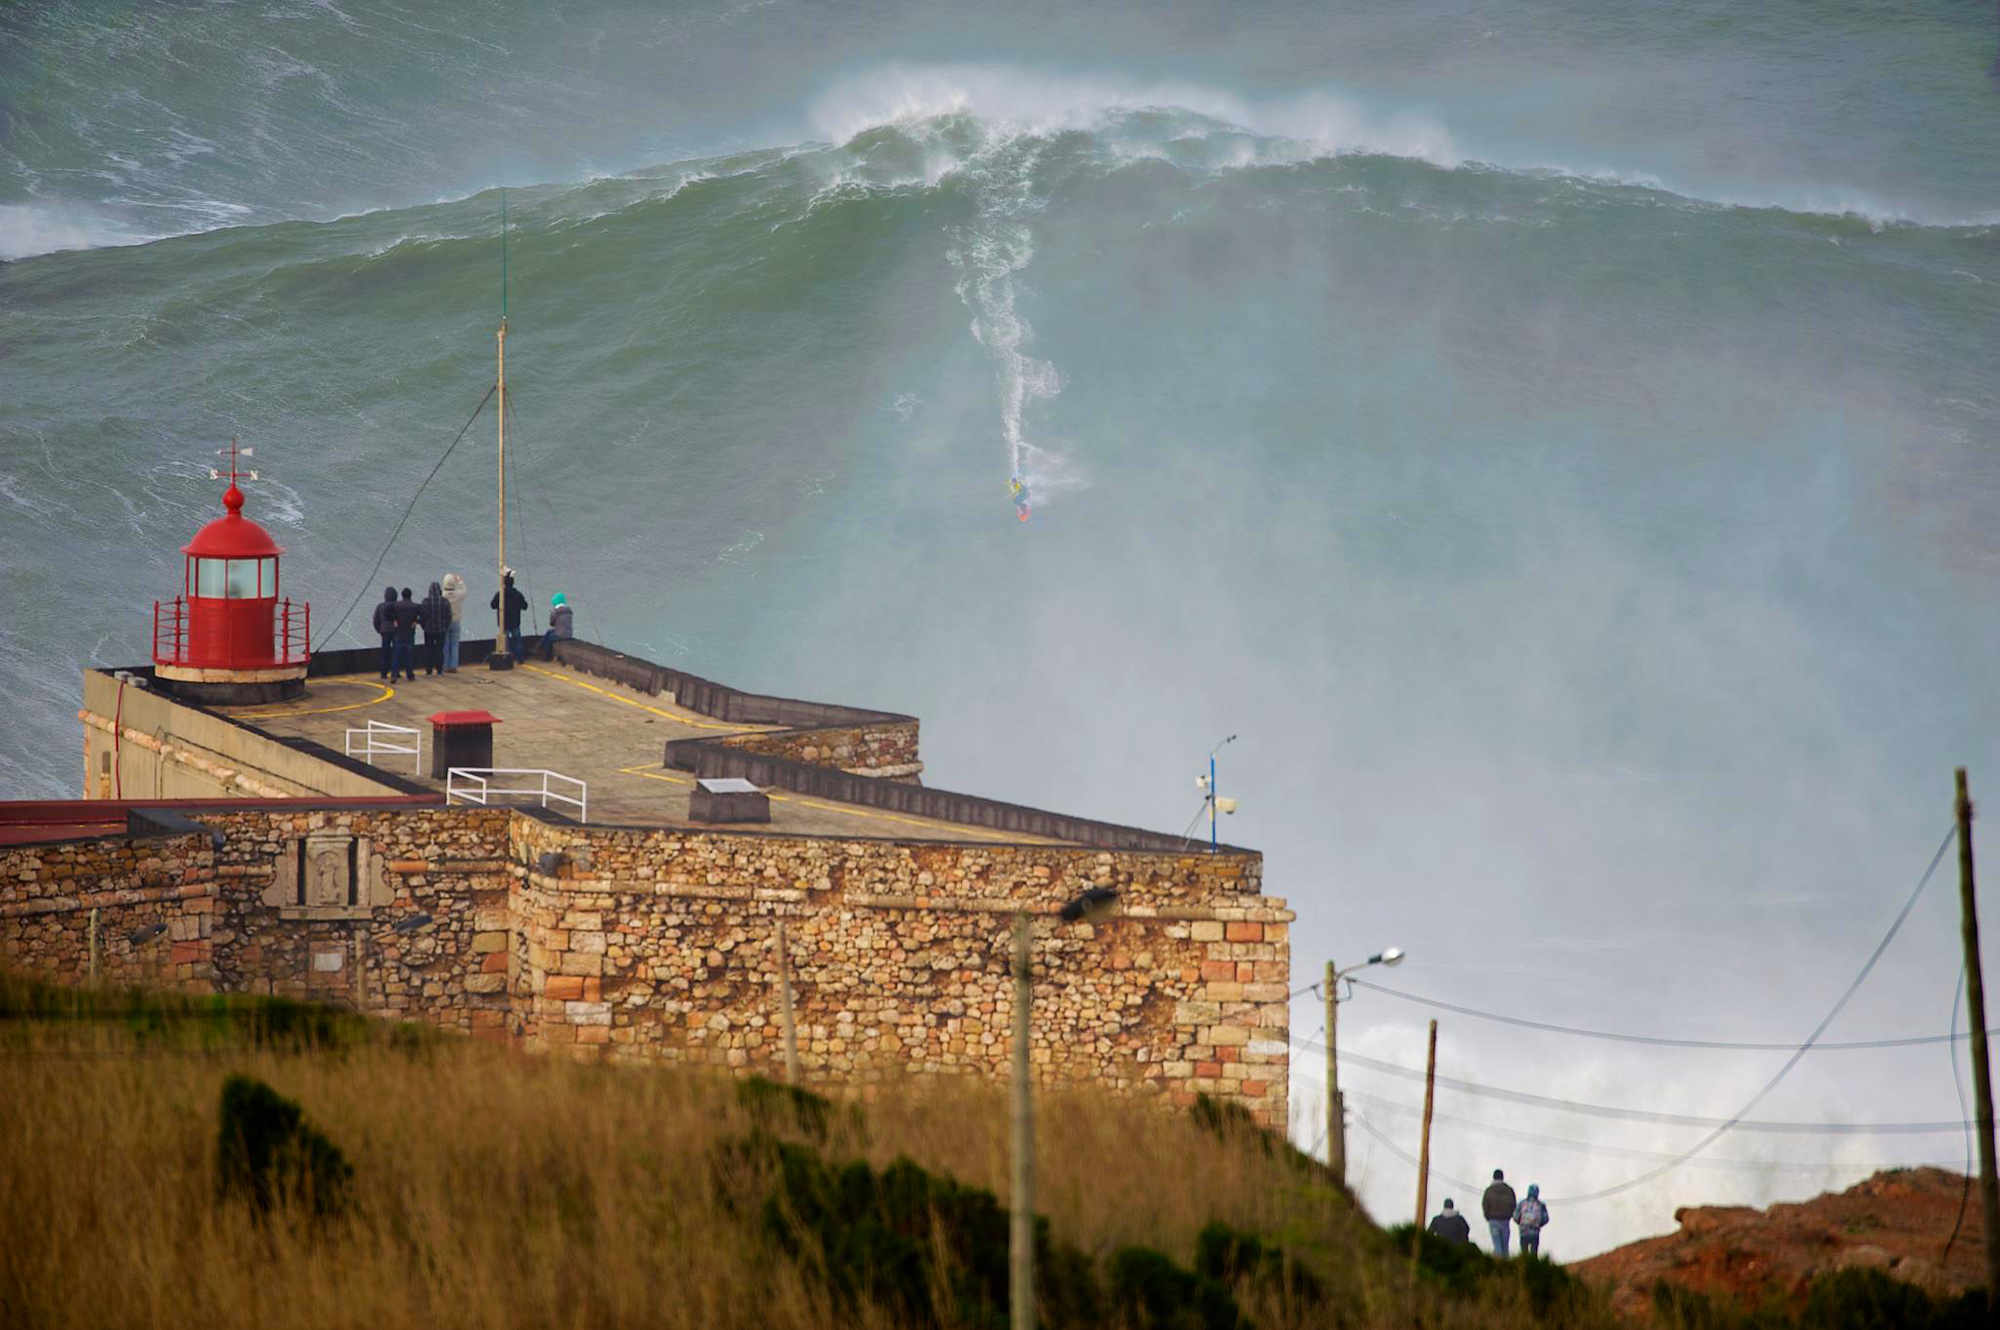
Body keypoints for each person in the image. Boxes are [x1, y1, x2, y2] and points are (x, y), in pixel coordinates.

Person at [491, 568, 528, 659]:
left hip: (504, 622)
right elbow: (525, 606)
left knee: (505, 641)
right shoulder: (517, 594)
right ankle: (520, 658)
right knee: (518, 640)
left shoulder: (500, 594)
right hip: (515, 621)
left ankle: (507, 658)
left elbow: (492, 605)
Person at [1482, 1169, 1517, 1257]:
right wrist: (1510, 1215)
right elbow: (1513, 1204)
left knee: (1497, 1245)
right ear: (1502, 1177)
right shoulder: (1509, 1190)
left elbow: (1485, 1204)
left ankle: (1499, 1265)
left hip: (1493, 1220)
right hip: (1505, 1220)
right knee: (1505, 1246)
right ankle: (1506, 1265)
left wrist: (1487, 1216)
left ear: (1493, 1178)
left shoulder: (1488, 1191)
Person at [419, 581, 451, 676]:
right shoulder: (445, 602)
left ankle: (429, 671)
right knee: (439, 650)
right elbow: (449, 616)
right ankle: (439, 670)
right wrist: (445, 627)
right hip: (441, 630)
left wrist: (424, 627)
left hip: (428, 630)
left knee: (429, 650)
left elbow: (422, 617)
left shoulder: (425, 601)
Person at [390, 586, 421, 681]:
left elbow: (386, 612)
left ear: (402, 595)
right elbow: (426, 614)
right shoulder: (415, 606)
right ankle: (410, 675)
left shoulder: (396, 605)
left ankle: (394, 675)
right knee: (409, 655)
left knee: (396, 655)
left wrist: (394, 620)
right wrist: (416, 621)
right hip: (409, 632)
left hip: (398, 632)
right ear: (410, 596)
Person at [440, 572, 467, 672]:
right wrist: (460, 581)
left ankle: (445, 665)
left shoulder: (442, 595)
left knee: (445, 644)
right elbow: (464, 591)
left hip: (445, 622)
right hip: (456, 621)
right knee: (455, 644)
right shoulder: (458, 594)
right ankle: (453, 665)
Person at [371, 586, 399, 679]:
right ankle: (395, 672)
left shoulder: (380, 606)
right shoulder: (397, 606)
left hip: (384, 631)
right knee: (396, 652)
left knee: (385, 652)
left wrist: (379, 630)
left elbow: (376, 620)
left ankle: (383, 673)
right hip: (396, 631)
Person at [1514, 1184, 1550, 1257]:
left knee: (1524, 1253)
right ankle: (1533, 1266)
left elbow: (1516, 1216)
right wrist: (1539, 1224)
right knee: (1534, 1253)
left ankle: (1524, 1265)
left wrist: (1521, 1224)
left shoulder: (1522, 1203)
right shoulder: (1541, 1205)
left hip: (1523, 1231)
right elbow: (1546, 1218)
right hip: (1535, 1232)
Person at [538, 591, 573, 660]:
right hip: (569, 633)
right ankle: (538, 648)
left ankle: (545, 656)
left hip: (560, 634)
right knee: (549, 632)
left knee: (549, 638)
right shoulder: (569, 611)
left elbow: (552, 624)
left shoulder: (556, 612)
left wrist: (552, 615)